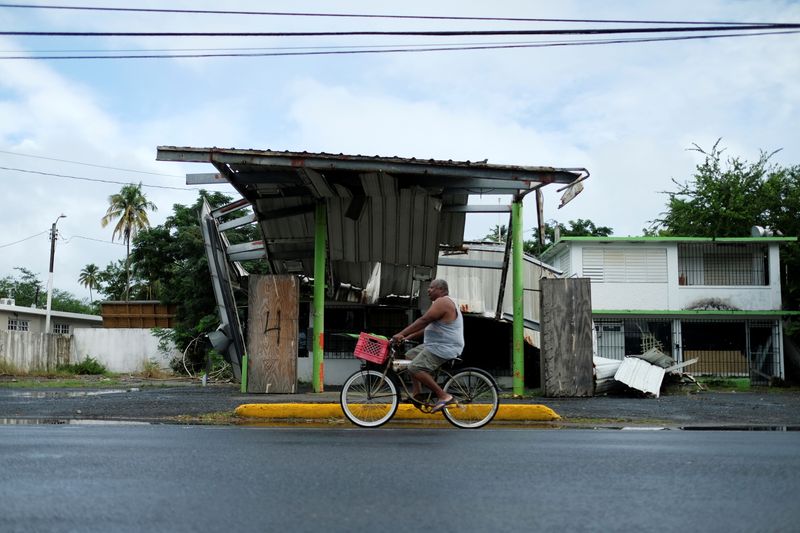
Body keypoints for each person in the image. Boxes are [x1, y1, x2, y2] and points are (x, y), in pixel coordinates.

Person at [390, 278, 464, 413]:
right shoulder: (440, 303)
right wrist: (407, 337)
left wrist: (401, 333)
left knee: (414, 367)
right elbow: (428, 327)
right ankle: (418, 395)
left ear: (441, 289)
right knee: (410, 355)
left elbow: (424, 320)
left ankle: (444, 395)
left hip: (444, 347)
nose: (428, 290)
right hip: (436, 345)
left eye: (431, 287)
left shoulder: (443, 302)